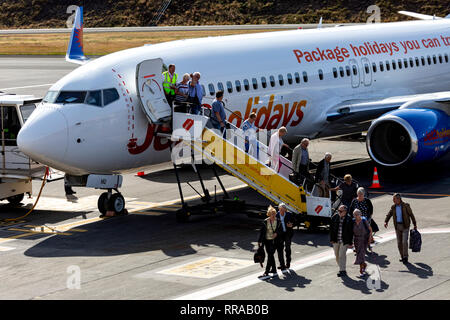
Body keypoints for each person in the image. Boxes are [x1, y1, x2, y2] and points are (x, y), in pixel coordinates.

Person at [384, 193, 417, 264]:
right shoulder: (393, 207)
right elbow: (389, 214)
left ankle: (405, 257)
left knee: (404, 242)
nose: (393, 200)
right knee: (399, 243)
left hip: (405, 226)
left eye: (394, 199)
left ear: (399, 199)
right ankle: (402, 256)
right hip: (397, 226)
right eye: (393, 199)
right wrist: (386, 221)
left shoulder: (406, 206)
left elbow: (411, 214)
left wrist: (414, 224)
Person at [258, 205, 282, 277]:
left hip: (274, 241)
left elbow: (281, 230)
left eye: (274, 214)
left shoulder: (278, 221)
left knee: (270, 255)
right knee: (270, 255)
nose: (273, 215)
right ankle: (274, 269)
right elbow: (262, 232)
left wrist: (277, 233)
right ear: (268, 214)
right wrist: (259, 241)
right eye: (271, 214)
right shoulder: (265, 222)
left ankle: (266, 271)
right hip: (266, 241)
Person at [330, 205, 354, 277]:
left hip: (344, 240)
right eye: (338, 210)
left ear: (345, 212)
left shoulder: (349, 219)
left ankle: (342, 270)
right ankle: (341, 267)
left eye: (340, 211)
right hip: (336, 240)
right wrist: (331, 239)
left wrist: (350, 242)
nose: (339, 212)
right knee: (336, 255)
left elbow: (351, 232)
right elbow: (331, 229)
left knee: (341, 255)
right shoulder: (335, 217)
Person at [352, 209, 373, 275]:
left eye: (357, 214)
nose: (356, 216)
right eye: (355, 215)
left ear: (360, 214)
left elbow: (370, 230)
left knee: (361, 254)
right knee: (359, 253)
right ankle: (364, 264)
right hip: (356, 240)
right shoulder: (353, 221)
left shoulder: (364, 220)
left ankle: (361, 270)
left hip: (364, 239)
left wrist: (370, 239)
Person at [275, 203, 295, 270]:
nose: (282, 212)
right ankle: (282, 264)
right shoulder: (276, 215)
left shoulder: (289, 214)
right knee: (280, 249)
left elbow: (295, 222)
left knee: (287, 248)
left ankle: (288, 263)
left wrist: (292, 225)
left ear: (286, 210)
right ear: (279, 209)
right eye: (281, 210)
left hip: (287, 233)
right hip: (279, 235)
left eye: (284, 210)